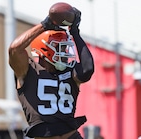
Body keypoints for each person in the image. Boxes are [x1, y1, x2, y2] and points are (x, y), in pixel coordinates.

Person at [9, 7, 94, 139]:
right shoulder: (28, 70)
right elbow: (14, 49)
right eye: (61, 47)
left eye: (65, 47)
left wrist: (75, 32)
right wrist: (44, 25)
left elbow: (87, 70)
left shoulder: (70, 72)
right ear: (43, 48)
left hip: (71, 135)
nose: (65, 52)